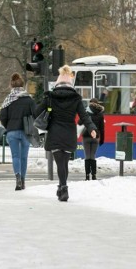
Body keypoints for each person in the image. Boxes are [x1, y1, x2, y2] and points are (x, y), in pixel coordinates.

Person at [35, 65, 97, 202]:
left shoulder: (50, 97)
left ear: (57, 82)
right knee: (65, 163)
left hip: (55, 132)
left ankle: (63, 188)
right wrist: (92, 128)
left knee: (59, 163)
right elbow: (84, 116)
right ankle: (62, 187)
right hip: (69, 133)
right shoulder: (76, 99)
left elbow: (36, 112)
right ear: (70, 83)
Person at [0, 73, 36, 191]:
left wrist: (9, 126)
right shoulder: (29, 99)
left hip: (12, 131)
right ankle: (24, 181)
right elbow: (35, 114)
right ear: (22, 85)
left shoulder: (8, 99)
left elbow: (2, 117)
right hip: (26, 131)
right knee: (24, 157)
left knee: (15, 156)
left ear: (12, 85)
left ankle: (18, 179)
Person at [79, 98, 105, 180]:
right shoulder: (100, 114)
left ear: (90, 104)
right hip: (95, 137)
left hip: (86, 136)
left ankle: (87, 176)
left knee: (87, 156)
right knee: (93, 156)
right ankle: (94, 175)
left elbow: (79, 122)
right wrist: (102, 139)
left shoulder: (86, 112)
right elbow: (102, 129)